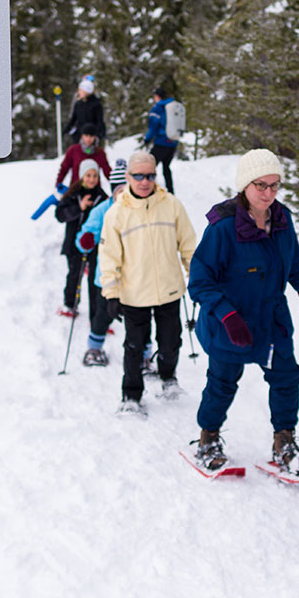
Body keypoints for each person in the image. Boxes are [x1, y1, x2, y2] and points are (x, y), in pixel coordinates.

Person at [187, 149, 299, 473]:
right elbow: (200, 281)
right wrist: (228, 316)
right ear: (245, 185)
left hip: (272, 318)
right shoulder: (223, 228)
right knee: (222, 382)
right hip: (231, 322)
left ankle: (284, 441)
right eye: (261, 185)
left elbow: (291, 260)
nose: (269, 194)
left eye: (275, 186)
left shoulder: (283, 219)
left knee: (286, 377)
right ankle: (208, 438)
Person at [98, 150, 196, 414]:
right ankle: (131, 396)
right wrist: (111, 293)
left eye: (150, 176)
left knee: (170, 342)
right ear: (128, 177)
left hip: (169, 289)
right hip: (134, 293)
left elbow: (188, 245)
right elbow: (108, 257)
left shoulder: (172, 205)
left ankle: (168, 377)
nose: (144, 182)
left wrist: (196, 278)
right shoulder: (116, 213)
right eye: (138, 176)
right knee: (134, 346)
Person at [76, 158, 129, 366]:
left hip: (135, 273)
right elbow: (84, 236)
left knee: (139, 315)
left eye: (127, 190)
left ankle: (143, 352)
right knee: (103, 313)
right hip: (106, 275)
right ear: (113, 191)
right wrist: (86, 240)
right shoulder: (102, 210)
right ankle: (94, 348)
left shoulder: (141, 209)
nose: (123, 195)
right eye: (119, 191)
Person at [54, 159, 108, 318]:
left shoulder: (102, 197)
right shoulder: (72, 194)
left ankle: (96, 315)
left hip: (95, 244)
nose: (92, 179)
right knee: (74, 275)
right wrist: (79, 208)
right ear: (81, 176)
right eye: (88, 175)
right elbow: (60, 215)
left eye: (95, 176)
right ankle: (69, 305)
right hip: (74, 244)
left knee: (94, 280)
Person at [142, 87, 179, 194]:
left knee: (150, 166)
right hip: (173, 143)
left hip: (161, 143)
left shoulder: (157, 108)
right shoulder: (172, 106)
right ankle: (171, 191)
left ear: (157, 97)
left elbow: (153, 126)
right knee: (166, 167)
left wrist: (147, 139)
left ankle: (148, 189)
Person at [56, 123, 111, 188]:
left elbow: (107, 171)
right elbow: (64, 168)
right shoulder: (73, 150)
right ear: (82, 136)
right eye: (86, 135)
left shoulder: (100, 153)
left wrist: (117, 186)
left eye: (91, 136)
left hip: (94, 190)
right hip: (76, 189)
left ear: (95, 137)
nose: (88, 139)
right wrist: (58, 183)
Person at [65, 74, 105, 145]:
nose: (79, 92)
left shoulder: (96, 104)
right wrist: (66, 130)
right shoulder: (78, 103)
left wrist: (99, 135)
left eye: (80, 90)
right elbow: (73, 119)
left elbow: (99, 121)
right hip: (79, 135)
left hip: (91, 136)